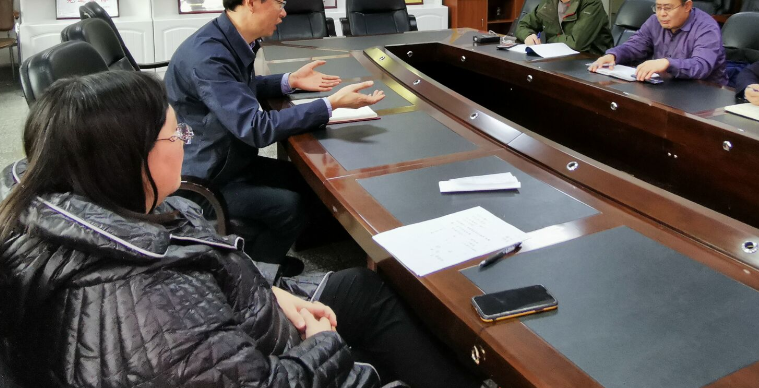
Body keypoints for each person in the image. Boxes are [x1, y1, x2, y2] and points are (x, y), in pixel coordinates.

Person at [0, 71, 481, 388]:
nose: (185, 141)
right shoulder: (148, 304)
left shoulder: (83, 208)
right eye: (176, 133)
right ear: (127, 159)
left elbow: (200, 258)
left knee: (361, 287)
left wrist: (270, 292)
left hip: (243, 314)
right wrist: (323, 345)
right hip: (272, 354)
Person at [165, 0, 385, 268]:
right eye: (279, 2)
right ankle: (258, 275)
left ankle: (272, 257)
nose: (284, 12)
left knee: (308, 180)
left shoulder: (224, 38)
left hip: (230, 159)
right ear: (251, 1)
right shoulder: (208, 57)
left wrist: (289, 81)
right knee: (289, 206)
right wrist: (330, 104)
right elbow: (256, 128)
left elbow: (236, 89)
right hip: (208, 177)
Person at [589, 0, 727, 85]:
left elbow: (701, 66)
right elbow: (635, 45)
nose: (661, 14)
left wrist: (667, 63)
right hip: (669, 87)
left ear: (687, 6)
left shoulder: (706, 27)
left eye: (667, 8)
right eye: (658, 7)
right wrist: (613, 55)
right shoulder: (655, 21)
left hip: (705, 94)